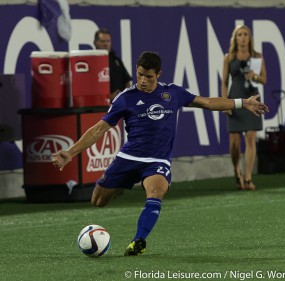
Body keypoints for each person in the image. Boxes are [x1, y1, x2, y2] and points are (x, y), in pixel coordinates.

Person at [52, 51, 268, 256]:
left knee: (156, 193)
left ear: (158, 75)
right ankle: (121, 186)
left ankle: (138, 241)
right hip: (129, 157)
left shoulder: (172, 93)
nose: (143, 81)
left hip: (157, 160)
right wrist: (70, 152)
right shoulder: (125, 98)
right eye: (139, 75)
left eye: (148, 77)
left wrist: (243, 102)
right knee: (98, 201)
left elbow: (208, 102)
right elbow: (98, 130)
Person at [221, 25, 267, 191]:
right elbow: (225, 82)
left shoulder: (257, 56)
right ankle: (236, 172)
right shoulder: (229, 57)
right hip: (235, 99)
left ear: (249, 37)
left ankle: (248, 177)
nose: (242, 37)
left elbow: (264, 80)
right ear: (235, 38)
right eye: (239, 34)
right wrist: (224, 103)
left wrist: (254, 76)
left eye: (245, 34)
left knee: (250, 137)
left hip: (252, 99)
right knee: (234, 143)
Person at [94, 28, 132, 101]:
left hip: (119, 104)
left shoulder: (116, 60)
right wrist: (109, 97)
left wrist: (123, 95)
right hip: (101, 105)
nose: (106, 44)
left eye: (108, 41)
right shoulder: (92, 62)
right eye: (102, 41)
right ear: (95, 43)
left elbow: (127, 81)